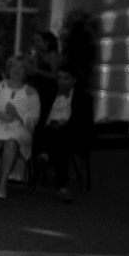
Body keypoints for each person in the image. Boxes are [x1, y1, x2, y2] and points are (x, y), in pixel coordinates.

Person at [0, 54, 40, 199]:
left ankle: (2, 184)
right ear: (9, 69)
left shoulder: (31, 93)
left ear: (25, 71)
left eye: (21, 68)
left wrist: (17, 114)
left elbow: (33, 120)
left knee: (11, 143)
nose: (17, 70)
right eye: (14, 67)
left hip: (19, 129)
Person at [33, 64, 93, 203]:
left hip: (71, 133)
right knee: (55, 137)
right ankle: (62, 186)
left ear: (74, 80)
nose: (61, 81)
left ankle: (46, 155)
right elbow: (39, 117)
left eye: (66, 78)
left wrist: (64, 125)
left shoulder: (83, 98)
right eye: (59, 78)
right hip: (47, 132)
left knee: (62, 138)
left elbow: (83, 123)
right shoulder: (48, 93)